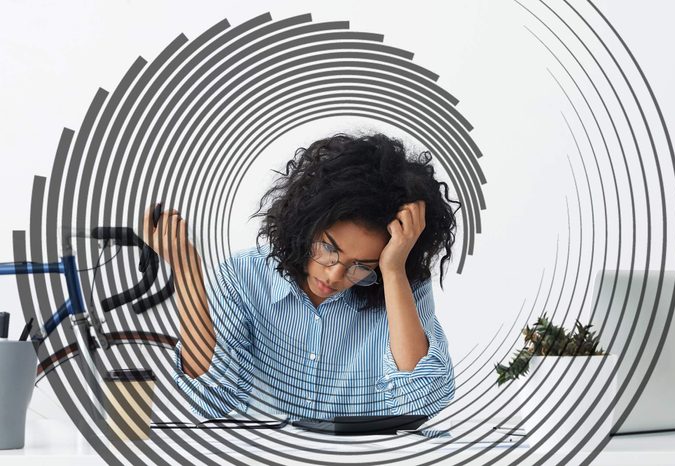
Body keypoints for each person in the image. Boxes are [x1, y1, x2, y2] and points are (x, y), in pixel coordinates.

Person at [144, 133, 459, 420]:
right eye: (328, 248)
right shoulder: (244, 277)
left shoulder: (400, 285)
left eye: (361, 265)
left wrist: (392, 271)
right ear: (307, 225)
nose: (335, 275)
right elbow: (210, 401)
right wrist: (186, 271)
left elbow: (423, 402)